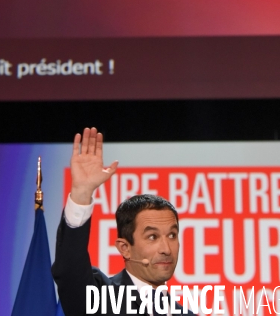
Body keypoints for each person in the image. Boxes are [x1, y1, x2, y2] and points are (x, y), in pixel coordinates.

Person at [52, 127, 192, 316]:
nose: (166, 249)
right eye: (152, 236)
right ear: (124, 247)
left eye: (172, 235)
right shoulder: (101, 298)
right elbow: (69, 270)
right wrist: (82, 193)